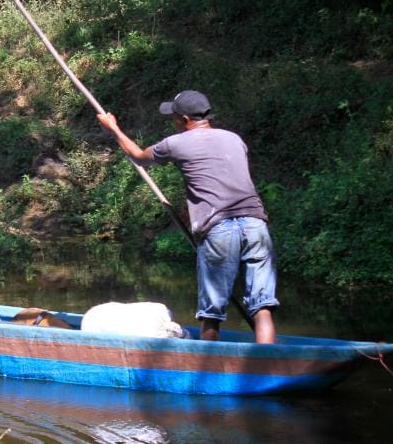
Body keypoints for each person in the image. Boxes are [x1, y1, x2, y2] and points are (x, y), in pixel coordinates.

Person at [97, 90, 278, 344]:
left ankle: (209, 369)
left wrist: (113, 128)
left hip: (219, 229)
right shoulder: (234, 139)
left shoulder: (176, 143)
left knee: (212, 314)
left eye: (173, 118)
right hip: (255, 224)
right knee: (262, 307)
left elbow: (138, 156)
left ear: (184, 119)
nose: (172, 122)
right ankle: (268, 363)